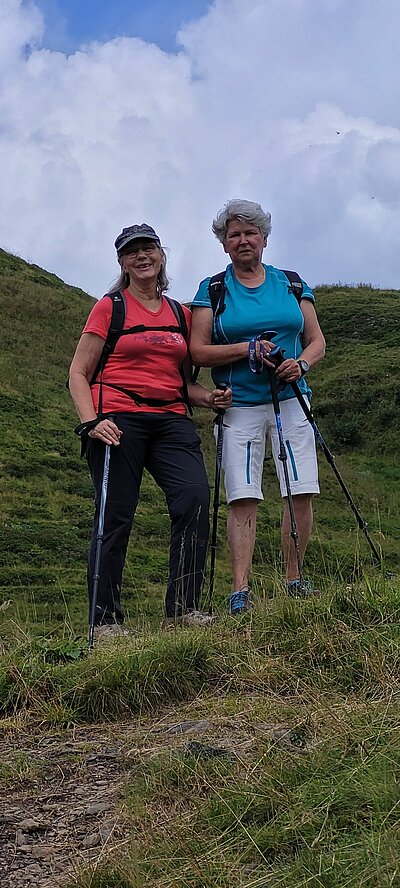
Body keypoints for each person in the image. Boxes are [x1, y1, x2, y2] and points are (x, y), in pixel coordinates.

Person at [69, 223, 231, 640]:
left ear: (162, 256)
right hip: (117, 418)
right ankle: (104, 621)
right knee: (116, 513)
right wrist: (92, 422)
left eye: (149, 249)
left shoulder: (180, 313)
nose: (142, 257)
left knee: (194, 498)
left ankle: (183, 609)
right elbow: (79, 372)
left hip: (172, 419)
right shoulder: (110, 307)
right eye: (132, 251)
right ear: (122, 262)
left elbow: (183, 382)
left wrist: (208, 398)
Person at [189, 199, 326, 614]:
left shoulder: (292, 283)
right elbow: (198, 350)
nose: (243, 240)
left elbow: (316, 340)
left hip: (291, 400)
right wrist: (245, 349)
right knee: (243, 496)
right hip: (239, 406)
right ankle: (240, 590)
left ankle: (294, 579)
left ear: (264, 239)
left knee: (299, 490)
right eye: (234, 235)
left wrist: (300, 363)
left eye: (250, 233)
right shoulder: (212, 289)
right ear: (224, 244)